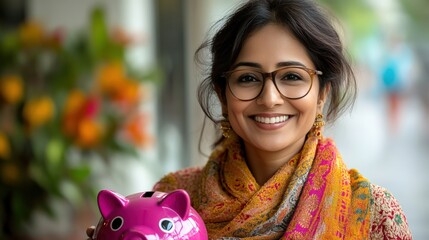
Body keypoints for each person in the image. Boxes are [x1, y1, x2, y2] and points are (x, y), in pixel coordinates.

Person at [87, 0, 412, 239]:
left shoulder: (374, 215)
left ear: (322, 92)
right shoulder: (173, 201)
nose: (270, 98)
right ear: (222, 92)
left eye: (292, 77)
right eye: (247, 78)